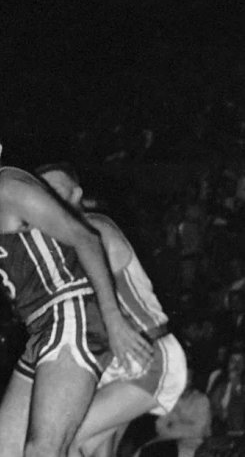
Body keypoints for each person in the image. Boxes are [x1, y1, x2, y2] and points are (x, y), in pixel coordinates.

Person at [0, 114, 153, 457]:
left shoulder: (10, 188)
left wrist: (114, 319)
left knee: (43, 450)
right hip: (44, 329)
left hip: (70, 316)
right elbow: (27, 241)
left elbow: (85, 238)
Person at [37, 163, 187, 457]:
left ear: (76, 193)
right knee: (94, 451)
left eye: (55, 190)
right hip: (115, 364)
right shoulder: (63, 242)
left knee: (62, 439)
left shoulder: (95, 228)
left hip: (148, 352)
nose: (48, 198)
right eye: (43, 193)